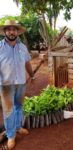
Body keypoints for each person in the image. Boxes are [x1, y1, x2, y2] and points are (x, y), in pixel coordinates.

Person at [0, 20, 35, 149]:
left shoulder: (23, 47)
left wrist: (32, 75)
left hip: (21, 82)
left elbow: (27, 63)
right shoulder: (0, 47)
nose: (11, 32)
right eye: (8, 29)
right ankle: (10, 136)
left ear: (17, 32)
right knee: (8, 110)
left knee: (19, 106)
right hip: (6, 85)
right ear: (5, 32)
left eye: (13, 29)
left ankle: (18, 127)